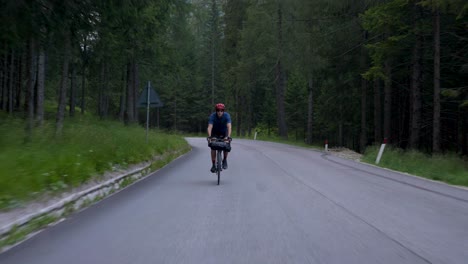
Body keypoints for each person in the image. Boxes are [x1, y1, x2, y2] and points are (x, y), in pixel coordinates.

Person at [207, 103, 232, 173]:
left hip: (224, 132)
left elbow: (229, 126)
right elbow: (209, 127)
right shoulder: (212, 116)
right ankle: (213, 164)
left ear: (223, 111)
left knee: (226, 144)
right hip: (215, 133)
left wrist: (228, 136)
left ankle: (225, 159)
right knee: (213, 145)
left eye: (221, 110)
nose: (219, 112)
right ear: (216, 111)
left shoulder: (227, 116)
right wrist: (209, 136)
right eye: (218, 110)